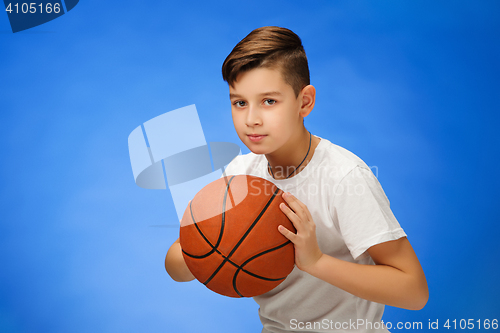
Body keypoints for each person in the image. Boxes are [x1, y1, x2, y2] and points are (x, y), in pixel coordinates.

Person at [165, 26, 428, 333]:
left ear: (304, 102)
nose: (251, 119)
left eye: (269, 101)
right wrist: (215, 247)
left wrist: (316, 262)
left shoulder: (343, 177)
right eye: (239, 102)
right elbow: (177, 267)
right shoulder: (238, 174)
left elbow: (414, 291)